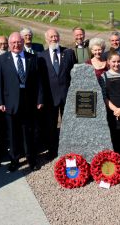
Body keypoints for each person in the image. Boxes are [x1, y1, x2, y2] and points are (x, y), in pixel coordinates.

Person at [0, 32, 43, 172]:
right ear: (9, 44)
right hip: (10, 103)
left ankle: (31, 159)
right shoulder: (2, 59)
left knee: (29, 132)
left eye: (19, 42)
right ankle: (14, 160)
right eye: (13, 43)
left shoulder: (32, 58)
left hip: (29, 101)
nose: (16, 45)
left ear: (23, 42)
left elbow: (39, 82)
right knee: (13, 134)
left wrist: (40, 99)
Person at [38, 29, 76, 159]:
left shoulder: (69, 53)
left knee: (69, 124)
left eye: (56, 36)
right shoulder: (40, 56)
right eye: (51, 37)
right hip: (50, 97)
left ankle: (69, 149)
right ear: (46, 39)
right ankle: (52, 150)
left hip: (67, 95)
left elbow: (74, 75)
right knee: (51, 126)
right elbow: (40, 80)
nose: (54, 38)